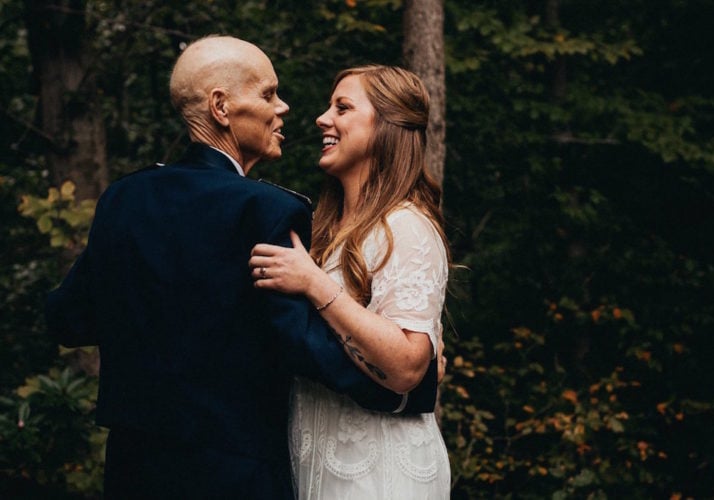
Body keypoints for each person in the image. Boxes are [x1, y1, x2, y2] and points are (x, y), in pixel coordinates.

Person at [44, 37, 439, 499]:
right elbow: (301, 346)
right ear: (221, 107)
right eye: (269, 94)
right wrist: (410, 384)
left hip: (133, 467)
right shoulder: (266, 209)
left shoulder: (124, 198)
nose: (285, 108)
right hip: (235, 472)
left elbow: (67, 319)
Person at [249, 65, 451, 499]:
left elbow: (407, 367)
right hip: (316, 461)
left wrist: (315, 284)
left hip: (380, 470)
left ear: (387, 126)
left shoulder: (406, 226)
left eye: (342, 107)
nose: (323, 118)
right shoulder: (324, 232)